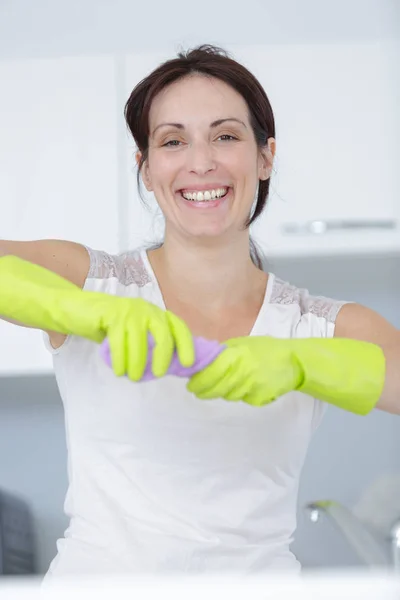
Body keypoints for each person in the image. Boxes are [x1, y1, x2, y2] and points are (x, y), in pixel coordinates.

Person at [0, 44, 399, 579]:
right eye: (172, 141)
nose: (201, 161)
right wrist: (89, 312)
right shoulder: (92, 280)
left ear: (265, 157)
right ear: (145, 168)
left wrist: (307, 362)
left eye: (226, 136)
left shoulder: (320, 326)